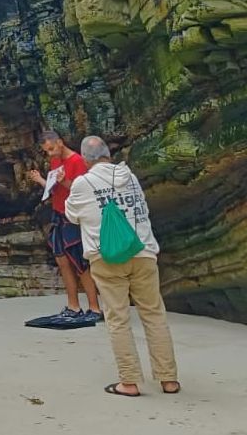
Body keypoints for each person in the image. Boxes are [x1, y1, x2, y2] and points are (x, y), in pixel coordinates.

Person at [65, 136, 180, 398]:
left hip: (106, 257)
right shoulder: (130, 177)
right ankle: (168, 379)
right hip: (143, 251)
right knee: (154, 314)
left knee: (118, 318)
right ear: (108, 153)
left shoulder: (83, 182)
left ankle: (129, 382)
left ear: (85, 160)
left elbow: (72, 215)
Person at [27, 131, 102, 321]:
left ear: (60, 142)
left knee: (79, 262)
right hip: (58, 214)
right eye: (46, 151)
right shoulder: (55, 161)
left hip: (73, 216)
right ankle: (73, 306)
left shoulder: (77, 161)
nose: (50, 153)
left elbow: (82, 189)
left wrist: (64, 181)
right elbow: (55, 188)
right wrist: (41, 181)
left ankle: (94, 308)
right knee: (62, 260)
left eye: (51, 148)